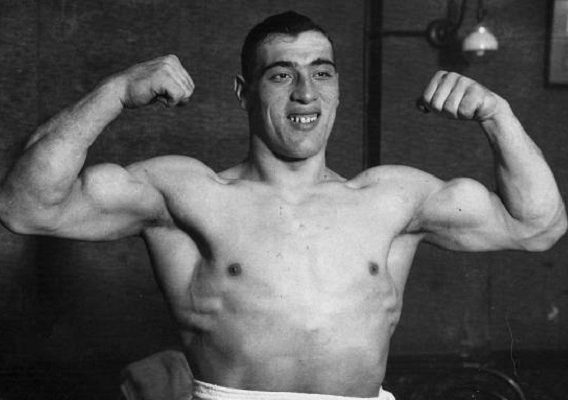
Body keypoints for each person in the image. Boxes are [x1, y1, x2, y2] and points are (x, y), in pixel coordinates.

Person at [0, 10, 565, 400]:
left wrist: (498, 115)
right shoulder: (186, 192)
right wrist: (115, 92)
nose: (305, 92)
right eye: (281, 74)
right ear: (244, 92)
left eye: (322, 73)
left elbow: (538, 226)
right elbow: (26, 206)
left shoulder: (393, 197)